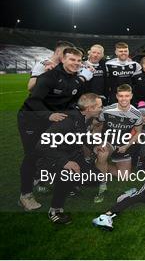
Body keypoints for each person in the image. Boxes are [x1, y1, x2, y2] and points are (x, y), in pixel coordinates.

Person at [18, 47, 90, 211]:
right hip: (31, 120)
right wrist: (48, 115)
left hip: (51, 120)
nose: (76, 63)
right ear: (63, 59)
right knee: (32, 156)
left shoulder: (74, 79)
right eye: (72, 60)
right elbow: (34, 100)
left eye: (79, 61)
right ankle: (25, 195)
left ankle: (61, 183)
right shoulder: (48, 76)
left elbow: (71, 101)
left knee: (59, 150)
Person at [35, 93, 104, 224]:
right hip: (53, 159)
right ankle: (55, 210)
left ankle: (69, 185)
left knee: (96, 178)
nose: (102, 108)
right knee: (67, 174)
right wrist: (65, 162)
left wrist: (94, 146)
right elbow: (41, 145)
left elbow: (82, 135)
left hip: (71, 156)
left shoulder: (83, 117)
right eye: (100, 106)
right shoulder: (67, 121)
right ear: (89, 108)